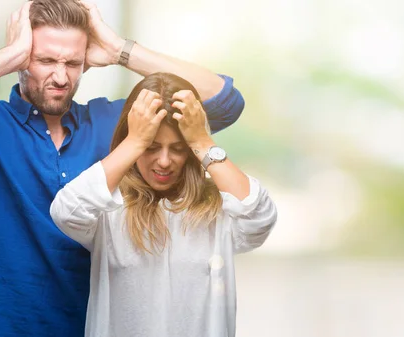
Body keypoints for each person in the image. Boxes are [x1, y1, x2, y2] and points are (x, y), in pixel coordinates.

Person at [0, 0, 245, 336]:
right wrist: (10, 56)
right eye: (45, 60)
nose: (61, 76)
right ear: (23, 58)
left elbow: (223, 103)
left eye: (73, 63)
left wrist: (118, 50)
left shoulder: (114, 124)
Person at [50, 72, 277, 337]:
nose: (165, 161)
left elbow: (260, 216)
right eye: (151, 147)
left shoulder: (218, 212)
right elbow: (65, 211)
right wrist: (135, 141)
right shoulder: (108, 208)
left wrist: (202, 141)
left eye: (178, 148)